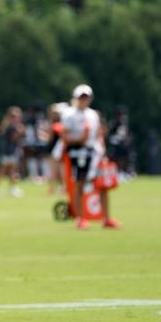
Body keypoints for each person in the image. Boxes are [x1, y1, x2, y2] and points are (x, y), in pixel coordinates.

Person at [62, 84, 119, 230]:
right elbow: (65, 136)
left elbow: (98, 134)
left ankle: (106, 219)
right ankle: (80, 219)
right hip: (78, 153)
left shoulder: (93, 114)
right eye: (81, 97)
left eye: (86, 97)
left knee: (102, 186)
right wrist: (80, 139)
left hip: (94, 153)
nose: (83, 100)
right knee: (80, 184)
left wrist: (102, 151)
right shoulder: (69, 114)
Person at [0, 106, 25, 197]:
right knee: (9, 170)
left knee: (7, 170)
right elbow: (13, 138)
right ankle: (9, 189)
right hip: (9, 150)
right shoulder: (11, 126)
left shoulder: (7, 125)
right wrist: (20, 132)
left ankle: (2, 188)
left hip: (7, 150)